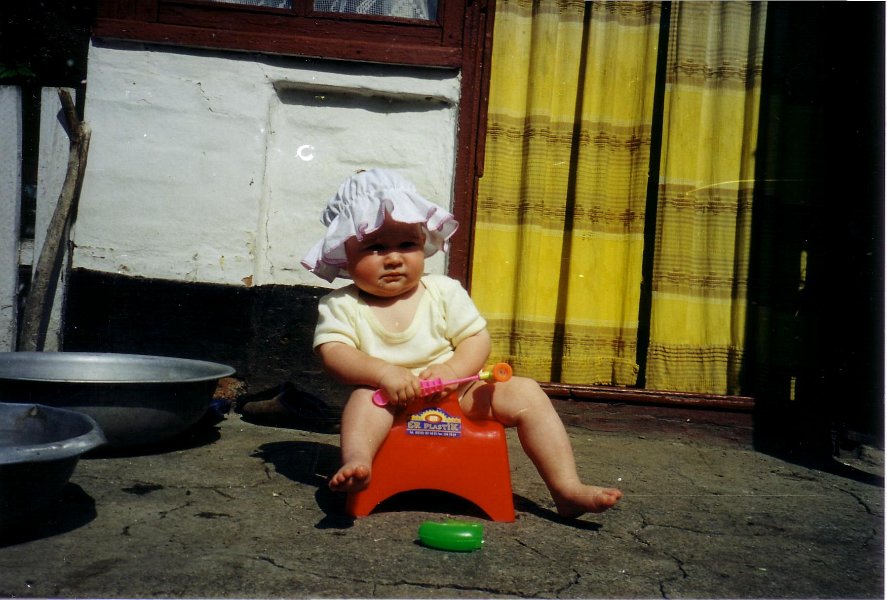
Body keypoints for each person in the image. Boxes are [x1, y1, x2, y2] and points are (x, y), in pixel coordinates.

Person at [301, 169, 622, 518]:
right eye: (375, 247)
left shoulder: (443, 290)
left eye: (407, 245)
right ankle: (359, 464)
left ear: (423, 243)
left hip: (457, 393)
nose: (393, 258)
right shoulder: (342, 304)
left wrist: (452, 370)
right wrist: (383, 373)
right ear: (345, 254)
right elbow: (334, 353)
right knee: (363, 401)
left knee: (527, 393)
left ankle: (566, 488)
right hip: (389, 401)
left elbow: (475, 339)